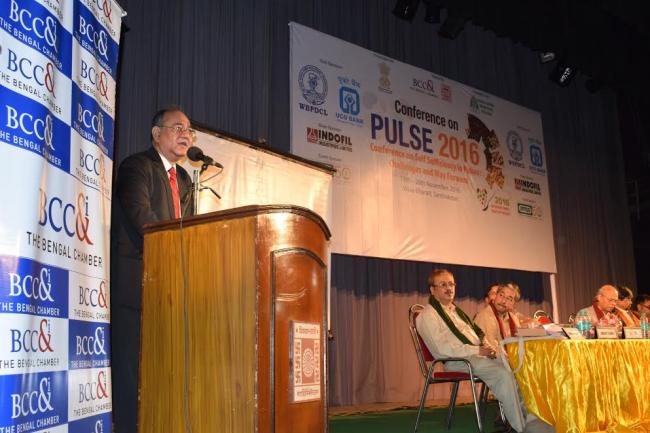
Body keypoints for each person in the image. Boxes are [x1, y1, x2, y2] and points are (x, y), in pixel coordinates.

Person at [110, 106, 195, 433]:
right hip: (137, 287)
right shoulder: (136, 167)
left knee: (163, 371)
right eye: (178, 128)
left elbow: (190, 228)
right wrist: (177, 246)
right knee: (132, 374)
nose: (186, 134)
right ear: (156, 134)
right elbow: (141, 217)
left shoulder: (185, 179)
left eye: (189, 130)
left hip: (170, 288)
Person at [416, 269, 553, 433]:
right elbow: (441, 349)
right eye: (443, 284)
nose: (449, 288)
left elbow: (478, 336)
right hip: (457, 360)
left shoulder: (455, 312)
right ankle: (520, 427)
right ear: (432, 290)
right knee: (502, 374)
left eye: (451, 284)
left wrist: (489, 349)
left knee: (516, 368)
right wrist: (478, 350)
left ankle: (533, 420)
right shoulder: (427, 316)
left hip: (474, 355)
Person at [474, 284, 521, 351]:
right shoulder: (485, 316)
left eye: (509, 298)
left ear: (513, 304)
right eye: (501, 295)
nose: (503, 301)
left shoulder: (514, 318)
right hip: (489, 357)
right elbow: (491, 350)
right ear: (496, 296)